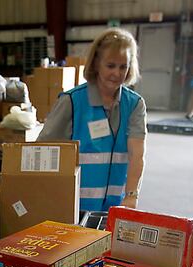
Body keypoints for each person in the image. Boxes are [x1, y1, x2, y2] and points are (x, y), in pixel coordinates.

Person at [38, 28, 146, 212]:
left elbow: (137, 155)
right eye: (110, 66)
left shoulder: (135, 105)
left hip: (115, 208)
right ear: (96, 64)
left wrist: (131, 196)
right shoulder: (72, 101)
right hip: (74, 208)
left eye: (123, 66)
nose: (117, 73)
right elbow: (42, 152)